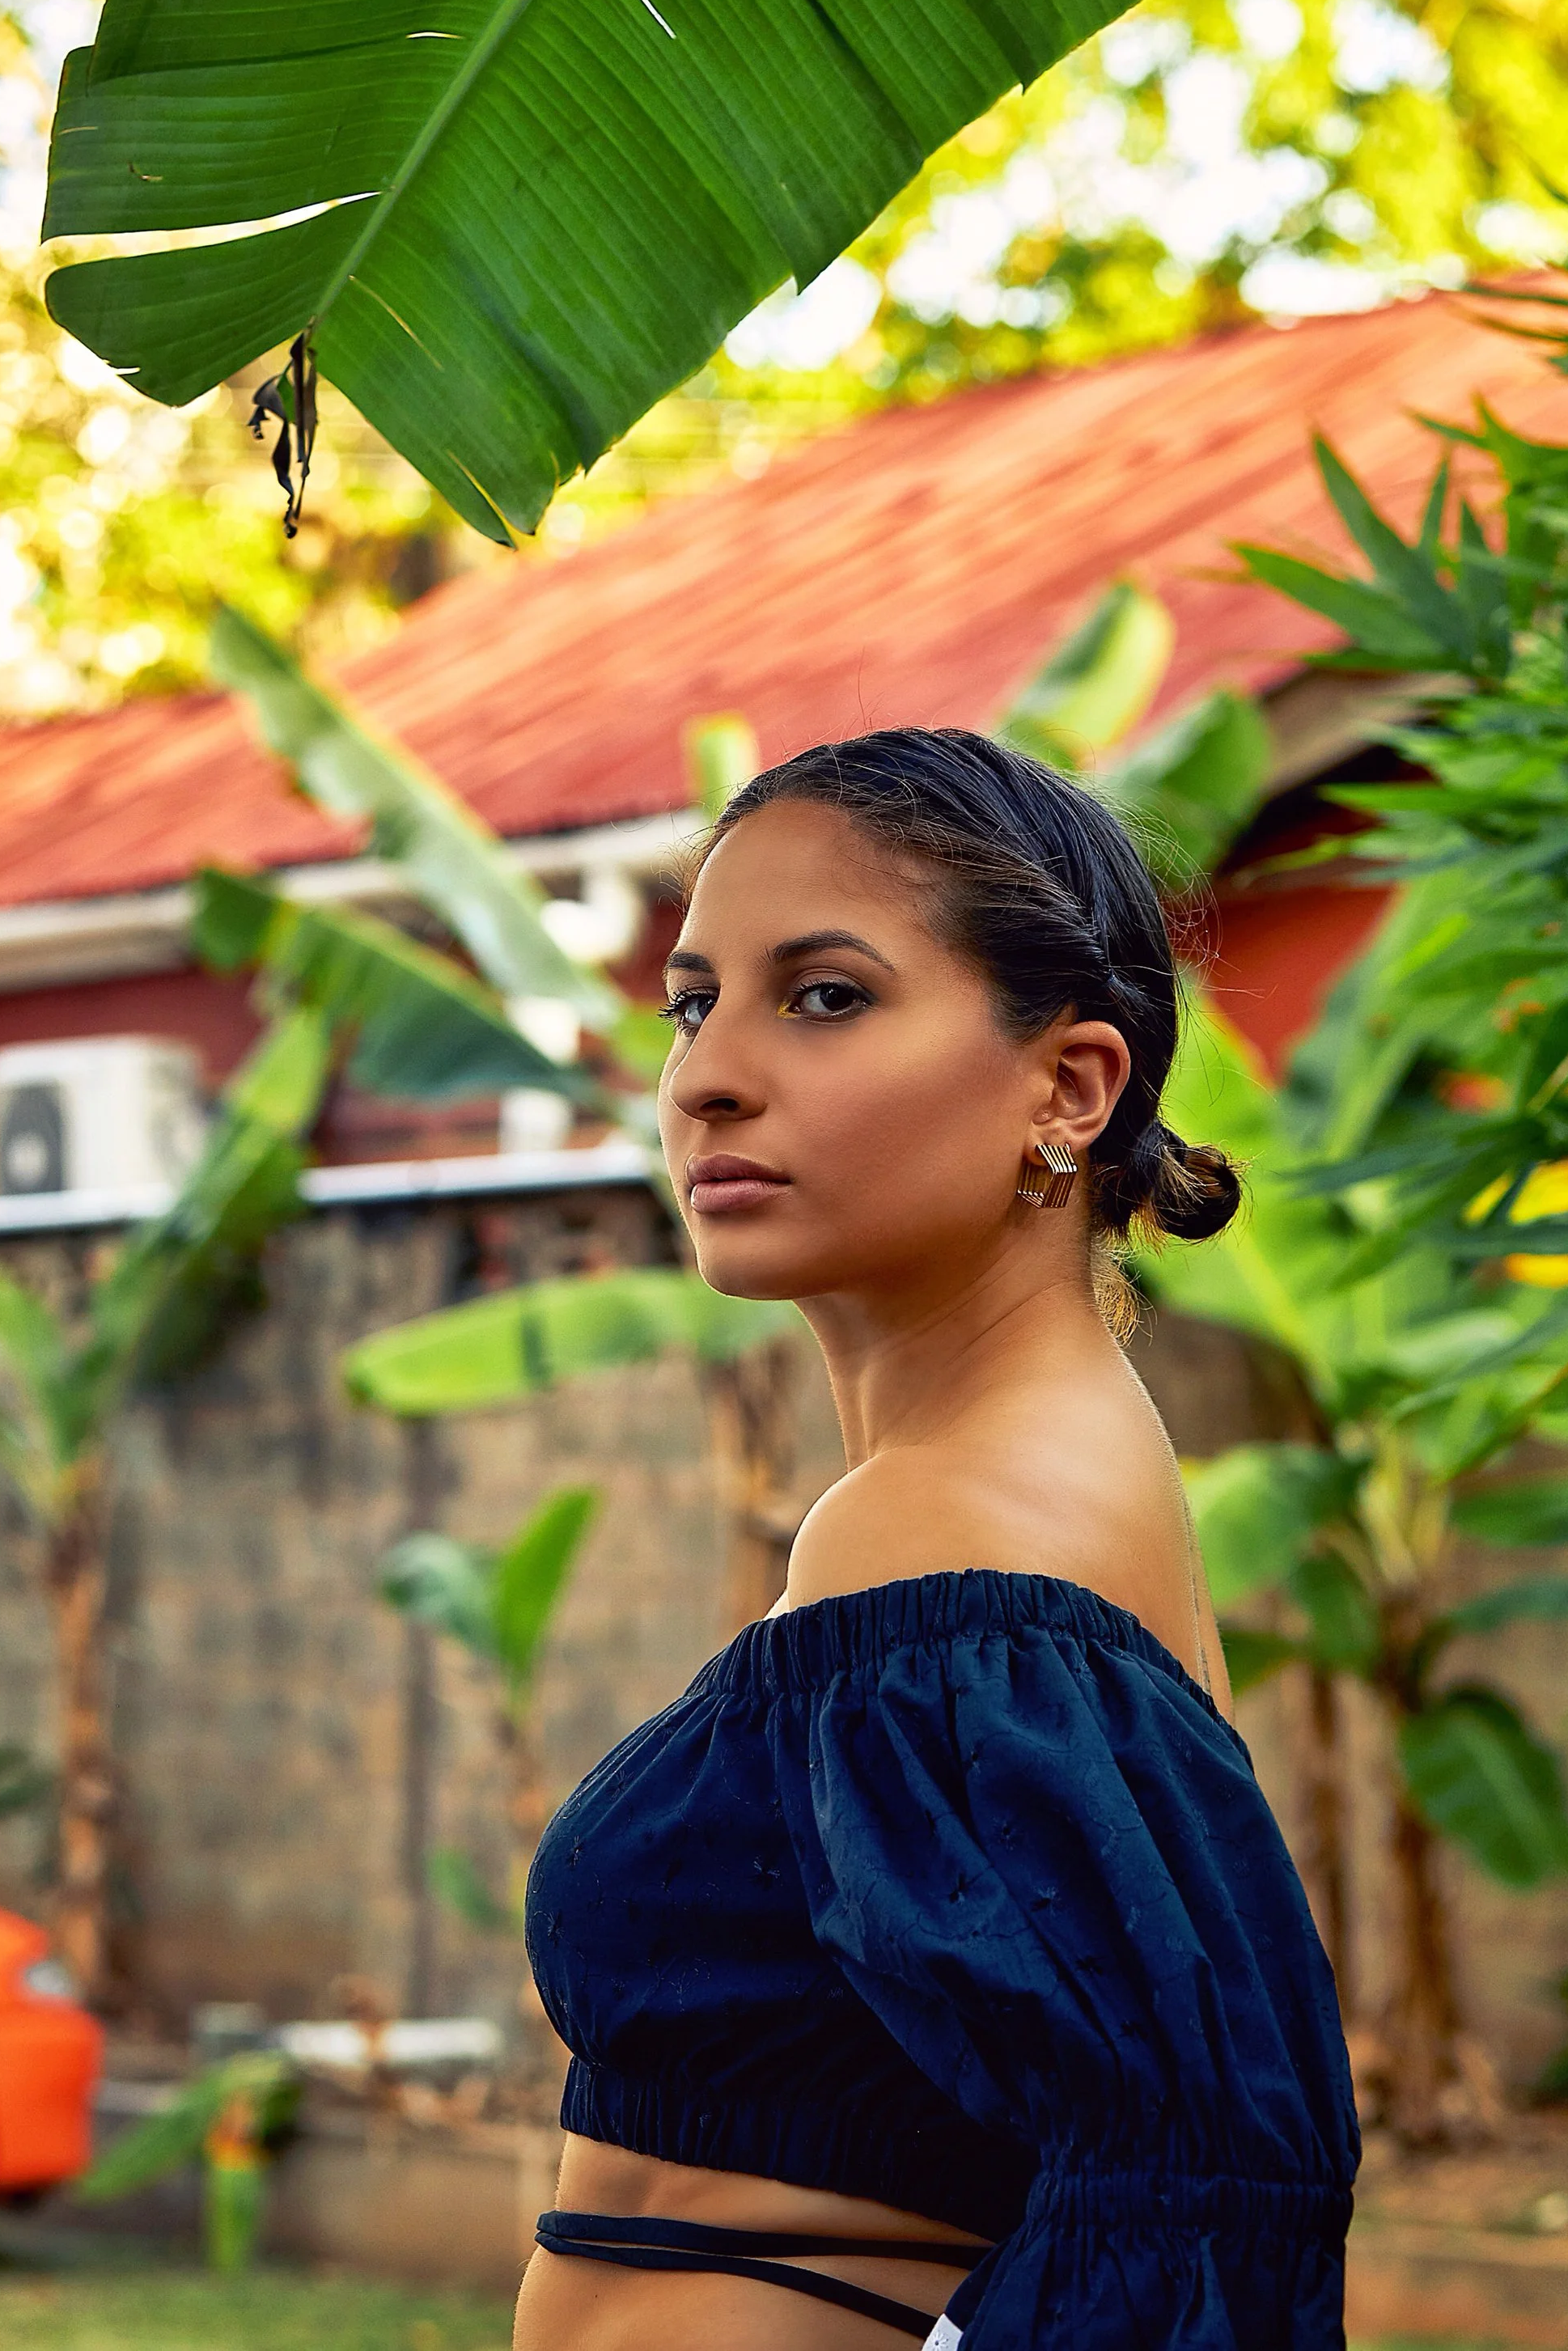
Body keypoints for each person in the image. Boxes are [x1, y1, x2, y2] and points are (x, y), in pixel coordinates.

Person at [515, 728, 1358, 2351]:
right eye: (696, 1002)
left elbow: (1196, 2201)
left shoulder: (953, 1531)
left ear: (1067, 1087)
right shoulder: (1002, 1493)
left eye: (823, 995)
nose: (705, 1074)